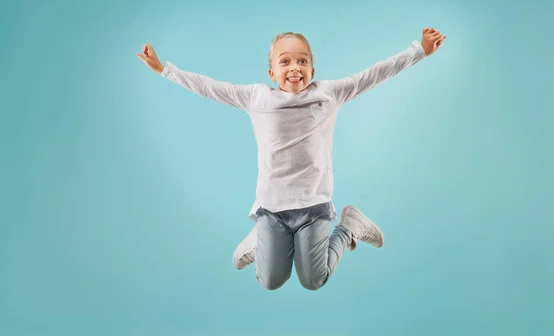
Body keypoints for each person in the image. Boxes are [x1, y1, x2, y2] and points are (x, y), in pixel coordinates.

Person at [136, 28, 446, 290]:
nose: (294, 67)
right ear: (271, 72)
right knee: (271, 280)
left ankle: (349, 225)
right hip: (272, 209)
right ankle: (261, 238)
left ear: (313, 69)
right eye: (285, 61)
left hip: (313, 206)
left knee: (313, 280)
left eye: (302, 61)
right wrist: (165, 69)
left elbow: (376, 73)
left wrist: (420, 50)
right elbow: (210, 87)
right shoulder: (257, 97)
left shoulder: (329, 93)